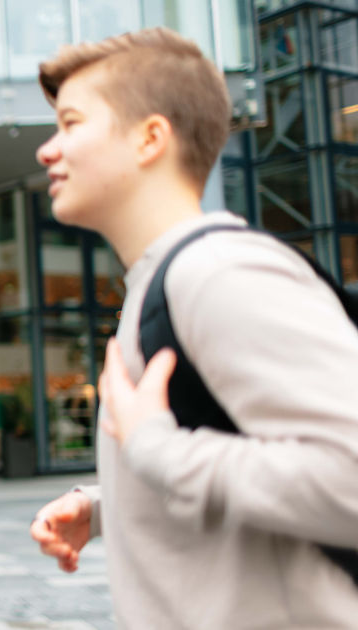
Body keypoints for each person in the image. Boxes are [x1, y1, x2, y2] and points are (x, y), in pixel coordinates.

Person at [28, 27, 358, 628]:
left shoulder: (219, 273)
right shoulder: (165, 282)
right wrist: (115, 503)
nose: (48, 150)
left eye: (72, 123)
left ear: (151, 137)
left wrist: (156, 453)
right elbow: (228, 449)